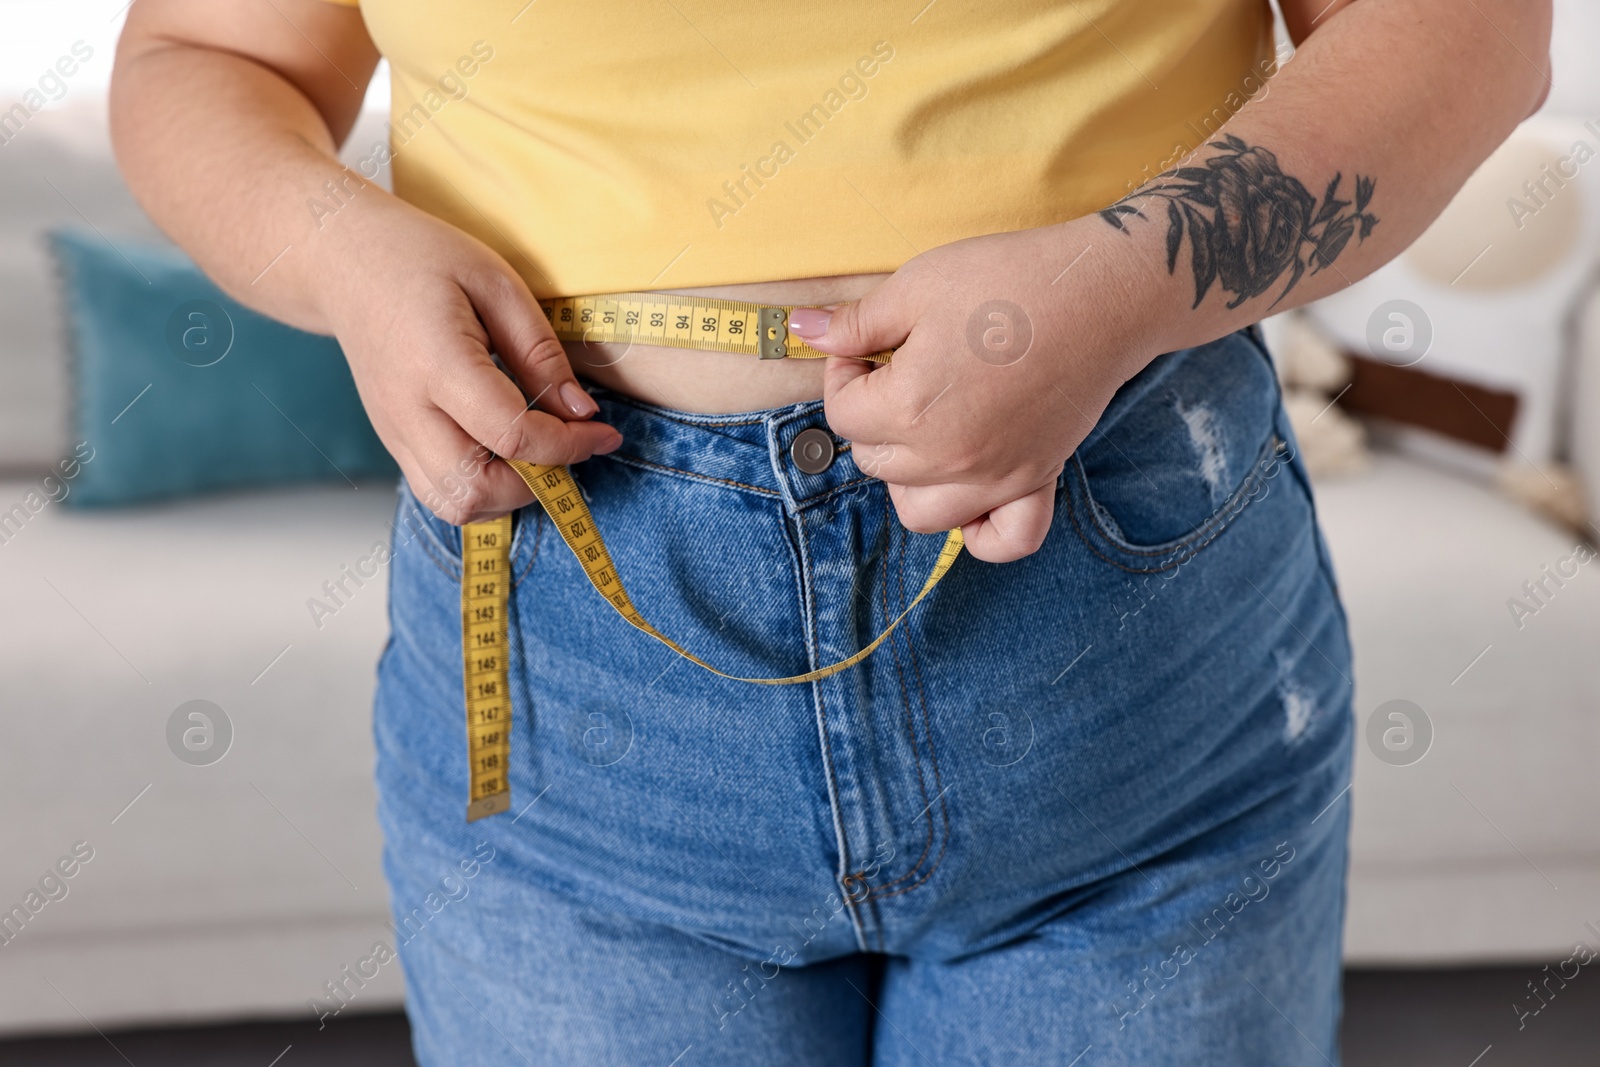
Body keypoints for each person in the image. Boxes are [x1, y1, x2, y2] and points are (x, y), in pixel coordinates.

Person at [110, 1, 1550, 1062]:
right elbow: (207, 54)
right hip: (577, 679)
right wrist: (345, 256)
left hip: (1126, 656)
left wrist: (1116, 294)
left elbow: (1466, 29)